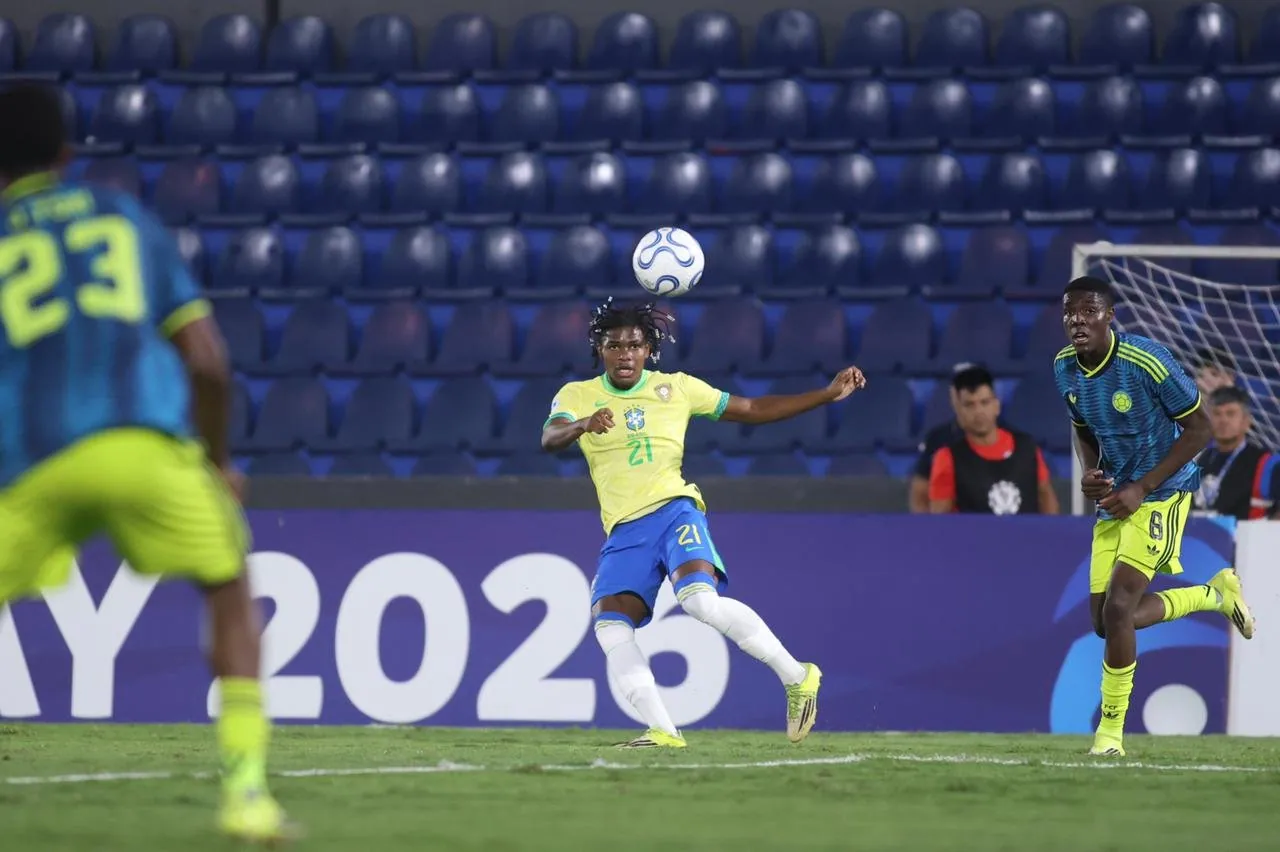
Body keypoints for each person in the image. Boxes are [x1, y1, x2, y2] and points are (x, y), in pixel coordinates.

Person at [0, 85, 293, 842]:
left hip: (29, 464)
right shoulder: (124, 221)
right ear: (66, 155)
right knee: (227, 587)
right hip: (140, 445)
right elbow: (208, 362)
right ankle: (246, 794)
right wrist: (218, 462)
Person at [541, 299, 865, 748]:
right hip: (623, 531)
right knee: (610, 626)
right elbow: (550, 438)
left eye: (634, 345)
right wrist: (582, 424)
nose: (624, 354)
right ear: (600, 349)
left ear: (649, 349)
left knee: (699, 603)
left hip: (675, 510)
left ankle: (798, 678)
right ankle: (663, 732)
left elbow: (752, 409)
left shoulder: (677, 388)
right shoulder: (576, 395)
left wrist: (827, 395)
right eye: (614, 346)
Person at [1054, 276, 1255, 758]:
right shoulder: (1064, 367)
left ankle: (1110, 736)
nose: (1078, 321)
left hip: (1162, 491)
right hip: (1116, 497)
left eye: (1089, 311)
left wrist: (1142, 488)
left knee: (1122, 608)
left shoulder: (1147, 360)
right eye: (1070, 313)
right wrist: (1090, 472)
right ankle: (1212, 595)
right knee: (1105, 623)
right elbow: (1082, 428)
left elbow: (1200, 428)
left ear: (1110, 315)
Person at [927, 365, 1059, 515]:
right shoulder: (947, 458)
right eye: (969, 405)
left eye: (984, 402)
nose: (978, 412)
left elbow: (1046, 499)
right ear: (958, 410)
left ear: (996, 405)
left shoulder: (1027, 448)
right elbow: (940, 521)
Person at [1194, 386, 1276, 520]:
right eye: (1217, 414)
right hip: (1197, 537)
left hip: (1247, 539)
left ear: (1246, 421)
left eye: (1230, 414)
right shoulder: (1198, 460)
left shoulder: (1266, 462)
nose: (1223, 420)